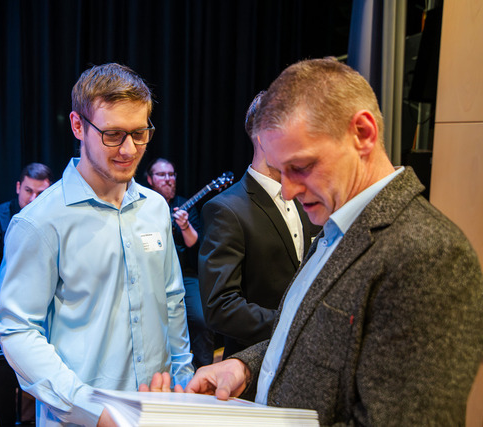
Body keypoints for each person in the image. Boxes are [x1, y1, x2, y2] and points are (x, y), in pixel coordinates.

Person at [183, 58, 483, 425]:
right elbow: (316, 338)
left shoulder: (429, 253)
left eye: (300, 167)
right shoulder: (336, 225)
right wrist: (247, 366)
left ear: (362, 134)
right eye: (280, 170)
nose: (288, 191)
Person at [0, 63, 194, 426]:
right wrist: (91, 410)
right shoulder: (39, 221)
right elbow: (17, 329)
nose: (129, 149)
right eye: (113, 134)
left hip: (157, 408)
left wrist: (182, 380)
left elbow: (171, 299)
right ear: (77, 125)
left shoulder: (155, 208)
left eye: (139, 133)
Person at [198, 91, 313, 359]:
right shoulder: (225, 209)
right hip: (254, 362)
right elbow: (221, 307)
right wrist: (293, 326)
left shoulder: (307, 200)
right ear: (263, 137)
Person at [146, 158, 214, 369]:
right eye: (161, 174)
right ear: (150, 179)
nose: (168, 179)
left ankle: (203, 371)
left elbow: (196, 244)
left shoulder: (185, 205)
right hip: (152, 275)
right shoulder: (143, 206)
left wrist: (184, 226)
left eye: (171, 174)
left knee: (202, 320)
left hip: (185, 274)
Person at [0, 162, 54, 307]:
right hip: (2, 299)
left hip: (46, 299)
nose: (33, 199)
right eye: (28, 191)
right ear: (18, 187)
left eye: (40, 193)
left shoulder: (55, 220)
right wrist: (25, 287)